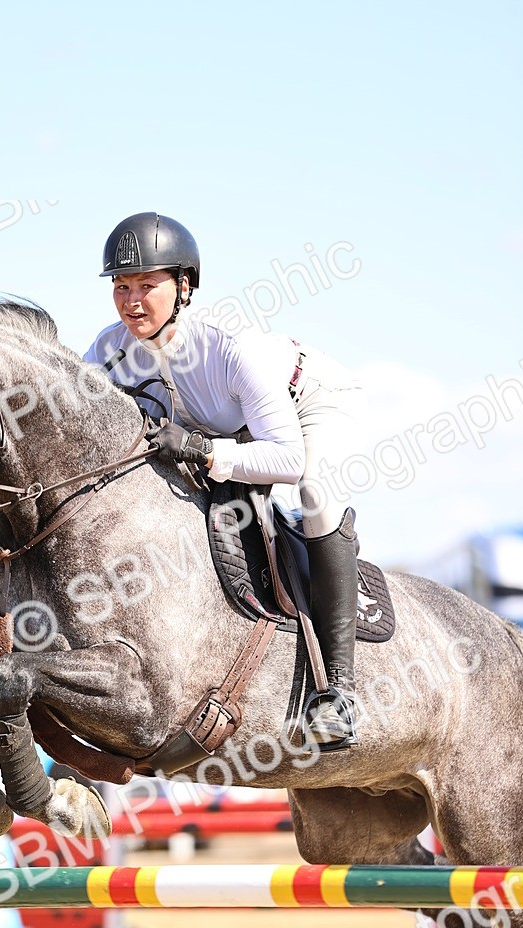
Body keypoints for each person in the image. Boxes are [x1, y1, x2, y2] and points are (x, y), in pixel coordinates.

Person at [83, 212, 363, 750]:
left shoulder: (232, 348)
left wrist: (200, 450)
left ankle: (339, 695)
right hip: (232, 430)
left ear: (183, 286)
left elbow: (286, 459)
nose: (131, 300)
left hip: (308, 407)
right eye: (121, 286)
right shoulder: (108, 349)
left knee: (317, 496)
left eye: (147, 286)